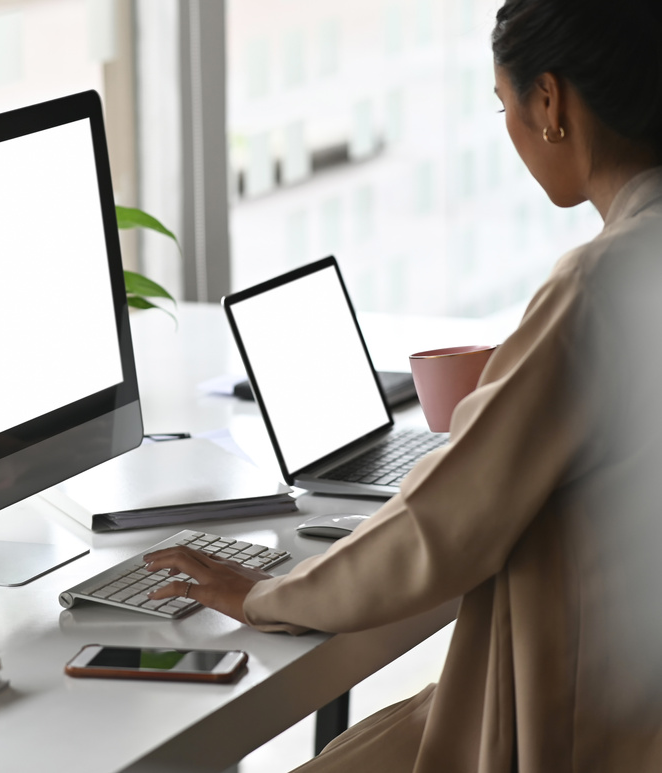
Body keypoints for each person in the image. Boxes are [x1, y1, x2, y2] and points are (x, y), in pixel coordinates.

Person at [144, 0, 662, 770]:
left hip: (587, 726)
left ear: (550, 102)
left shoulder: (598, 285)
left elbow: (443, 525)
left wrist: (265, 594)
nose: (512, 129)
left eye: (505, 106)